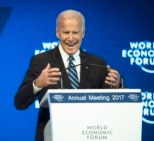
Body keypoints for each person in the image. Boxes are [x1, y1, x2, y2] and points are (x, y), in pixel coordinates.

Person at [14, 9, 122, 141]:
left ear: (83, 33)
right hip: (52, 135)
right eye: (66, 32)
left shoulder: (98, 63)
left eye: (75, 32)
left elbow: (110, 108)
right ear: (57, 32)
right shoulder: (40, 61)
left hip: (89, 135)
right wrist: (37, 83)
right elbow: (19, 103)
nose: (70, 38)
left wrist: (116, 88)